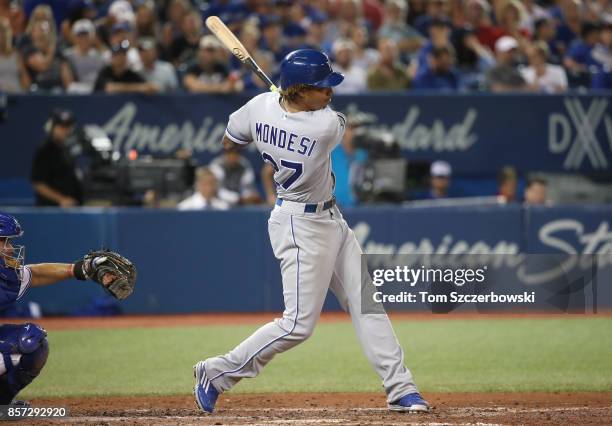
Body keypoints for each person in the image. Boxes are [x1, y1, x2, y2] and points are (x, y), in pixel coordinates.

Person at [193, 49, 429, 414]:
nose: (329, 93)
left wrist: (269, 117)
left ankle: (401, 388)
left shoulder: (259, 106)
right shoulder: (326, 126)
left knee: (366, 303)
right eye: (321, 88)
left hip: (331, 218)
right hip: (299, 225)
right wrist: (278, 109)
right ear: (300, 91)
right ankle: (216, 372)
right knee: (298, 325)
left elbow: (229, 141)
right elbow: (316, 120)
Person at [0, 212, 134, 405]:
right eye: (4, 242)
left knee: (32, 342)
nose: (11, 249)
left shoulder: (5, 276)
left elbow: (35, 273)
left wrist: (81, 269)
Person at [31, 109, 83, 207]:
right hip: (51, 211)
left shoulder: (66, 149)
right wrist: (61, 199)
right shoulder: (45, 150)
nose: (65, 131)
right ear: (51, 127)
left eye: (67, 127)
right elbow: (38, 184)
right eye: (61, 127)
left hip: (69, 209)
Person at [64, 19, 105, 93]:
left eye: (86, 35)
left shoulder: (100, 57)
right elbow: (69, 85)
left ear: (92, 37)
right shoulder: (67, 56)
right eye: (80, 36)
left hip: (96, 96)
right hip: (76, 97)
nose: (83, 39)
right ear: (74, 37)